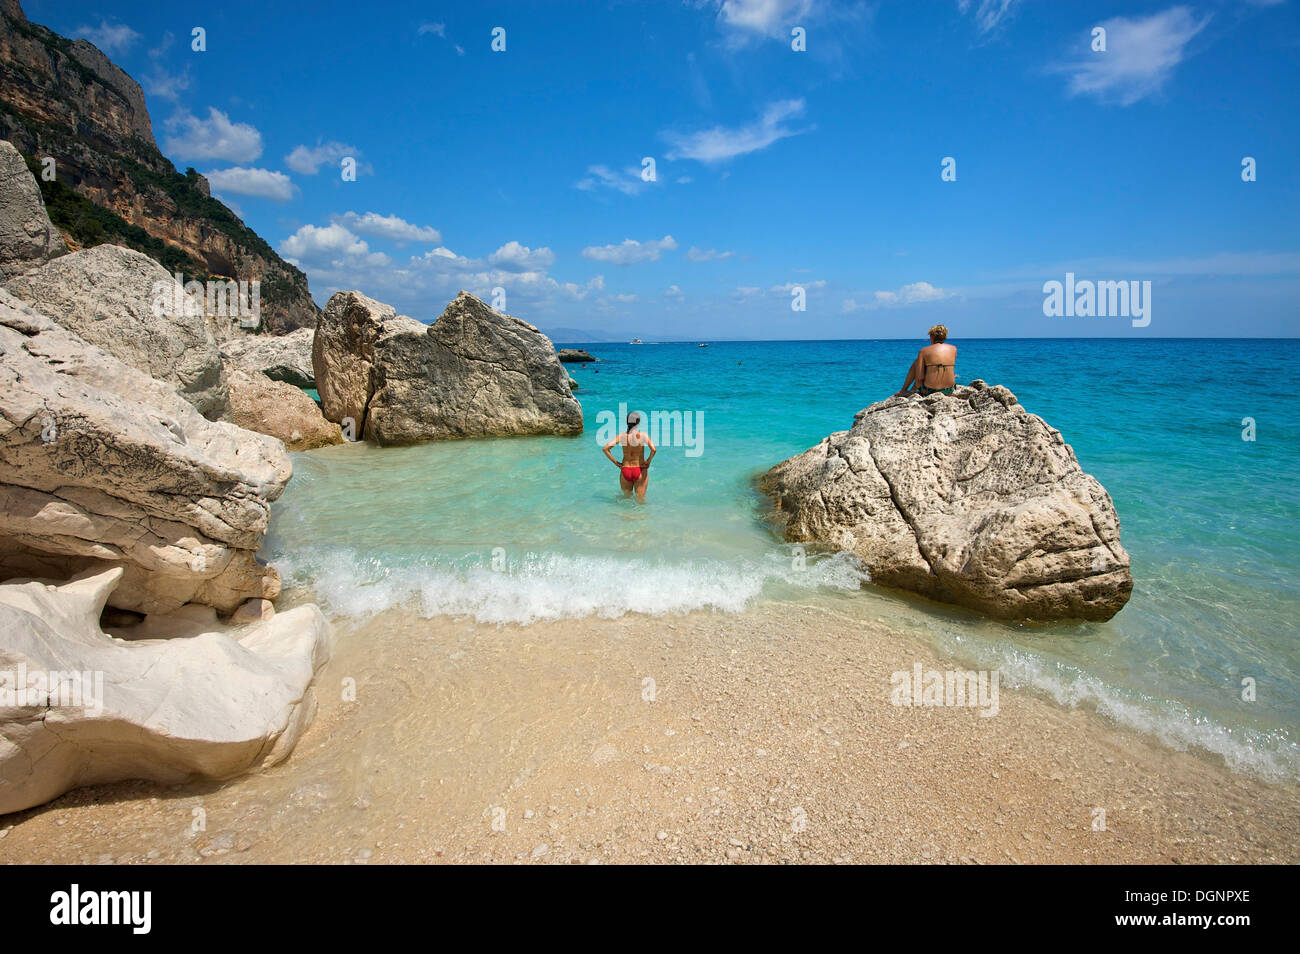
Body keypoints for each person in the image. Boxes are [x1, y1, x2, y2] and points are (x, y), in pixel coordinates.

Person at [603, 413, 656, 500]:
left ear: (627, 422)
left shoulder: (621, 436)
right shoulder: (643, 435)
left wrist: (617, 463)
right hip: (640, 469)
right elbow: (653, 450)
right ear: (638, 423)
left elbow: (605, 449)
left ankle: (625, 514)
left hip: (625, 470)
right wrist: (648, 461)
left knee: (626, 500)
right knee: (641, 501)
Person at [896, 324, 957, 397]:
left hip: (929, 391)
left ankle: (904, 390)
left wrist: (916, 385)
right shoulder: (954, 349)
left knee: (917, 362)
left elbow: (919, 377)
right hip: (949, 390)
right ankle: (910, 390)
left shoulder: (924, 351)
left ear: (932, 336)